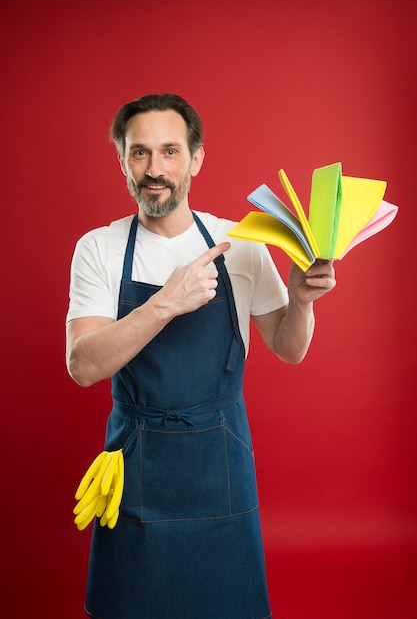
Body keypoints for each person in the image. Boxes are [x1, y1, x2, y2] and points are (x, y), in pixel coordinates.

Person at [66, 93, 336, 619]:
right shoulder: (97, 248)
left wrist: (301, 300)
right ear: (122, 159)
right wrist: (165, 303)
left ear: (196, 158)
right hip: (136, 465)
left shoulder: (242, 243)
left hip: (222, 465)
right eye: (139, 153)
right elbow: (83, 365)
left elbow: (288, 347)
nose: (154, 169)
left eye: (170, 151)